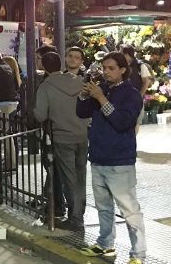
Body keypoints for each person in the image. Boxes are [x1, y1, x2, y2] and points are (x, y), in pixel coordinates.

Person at [77, 52, 145, 263]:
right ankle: (105, 244)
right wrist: (84, 95)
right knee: (103, 207)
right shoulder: (103, 89)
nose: (106, 72)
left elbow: (122, 122)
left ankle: (138, 254)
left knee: (130, 211)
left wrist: (100, 97)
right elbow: (81, 112)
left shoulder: (131, 94)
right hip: (98, 158)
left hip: (120, 161)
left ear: (123, 70)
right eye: (104, 68)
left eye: (111, 68)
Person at [33, 51, 87, 231]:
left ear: (44, 67)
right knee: (80, 176)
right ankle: (80, 211)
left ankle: (75, 219)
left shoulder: (46, 86)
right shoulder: (78, 81)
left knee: (69, 179)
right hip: (82, 135)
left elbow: (40, 115)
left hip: (63, 137)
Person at [120, 45, 154, 136]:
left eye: (121, 53)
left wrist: (139, 96)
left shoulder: (140, 65)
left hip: (136, 99)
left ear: (127, 54)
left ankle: (132, 141)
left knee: (135, 122)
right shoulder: (120, 66)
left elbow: (146, 82)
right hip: (122, 98)